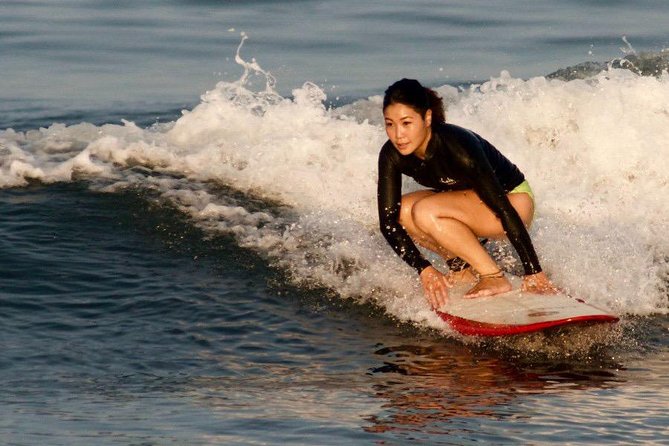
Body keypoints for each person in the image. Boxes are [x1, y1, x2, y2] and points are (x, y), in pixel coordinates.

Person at [377, 78, 558, 309]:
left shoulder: (459, 147)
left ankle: (493, 277)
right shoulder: (391, 154)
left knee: (425, 211)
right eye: (390, 124)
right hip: (470, 203)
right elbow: (388, 223)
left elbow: (503, 207)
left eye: (406, 123)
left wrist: (533, 271)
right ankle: (461, 268)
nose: (398, 135)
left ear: (427, 118)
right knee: (402, 211)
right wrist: (424, 269)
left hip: (513, 201)